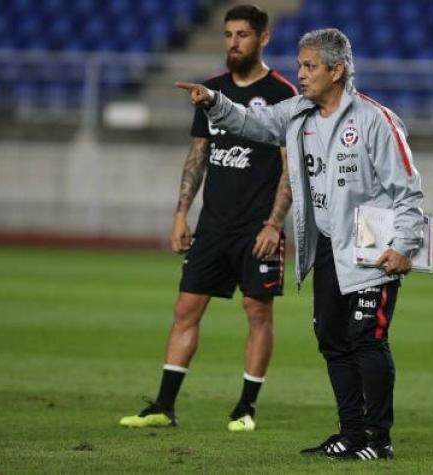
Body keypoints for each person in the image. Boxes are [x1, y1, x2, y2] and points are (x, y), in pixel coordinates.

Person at [176, 28, 424, 460]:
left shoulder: (375, 121)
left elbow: (408, 191)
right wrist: (215, 103)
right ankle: (350, 432)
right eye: (300, 65)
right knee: (331, 337)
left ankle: (378, 439)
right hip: (327, 244)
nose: (301, 74)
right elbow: (254, 123)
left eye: (310, 66)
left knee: (368, 338)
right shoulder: (297, 112)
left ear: (337, 71)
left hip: (372, 243)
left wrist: (405, 244)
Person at [120, 5, 296, 432]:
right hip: (213, 225)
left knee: (257, 312)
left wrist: (274, 224)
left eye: (243, 35)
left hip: (258, 228)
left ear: (263, 39)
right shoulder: (209, 91)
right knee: (185, 309)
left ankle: (246, 408)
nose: (234, 43)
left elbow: (292, 167)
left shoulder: (283, 96)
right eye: (228, 34)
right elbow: (197, 156)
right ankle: (164, 406)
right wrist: (181, 213)